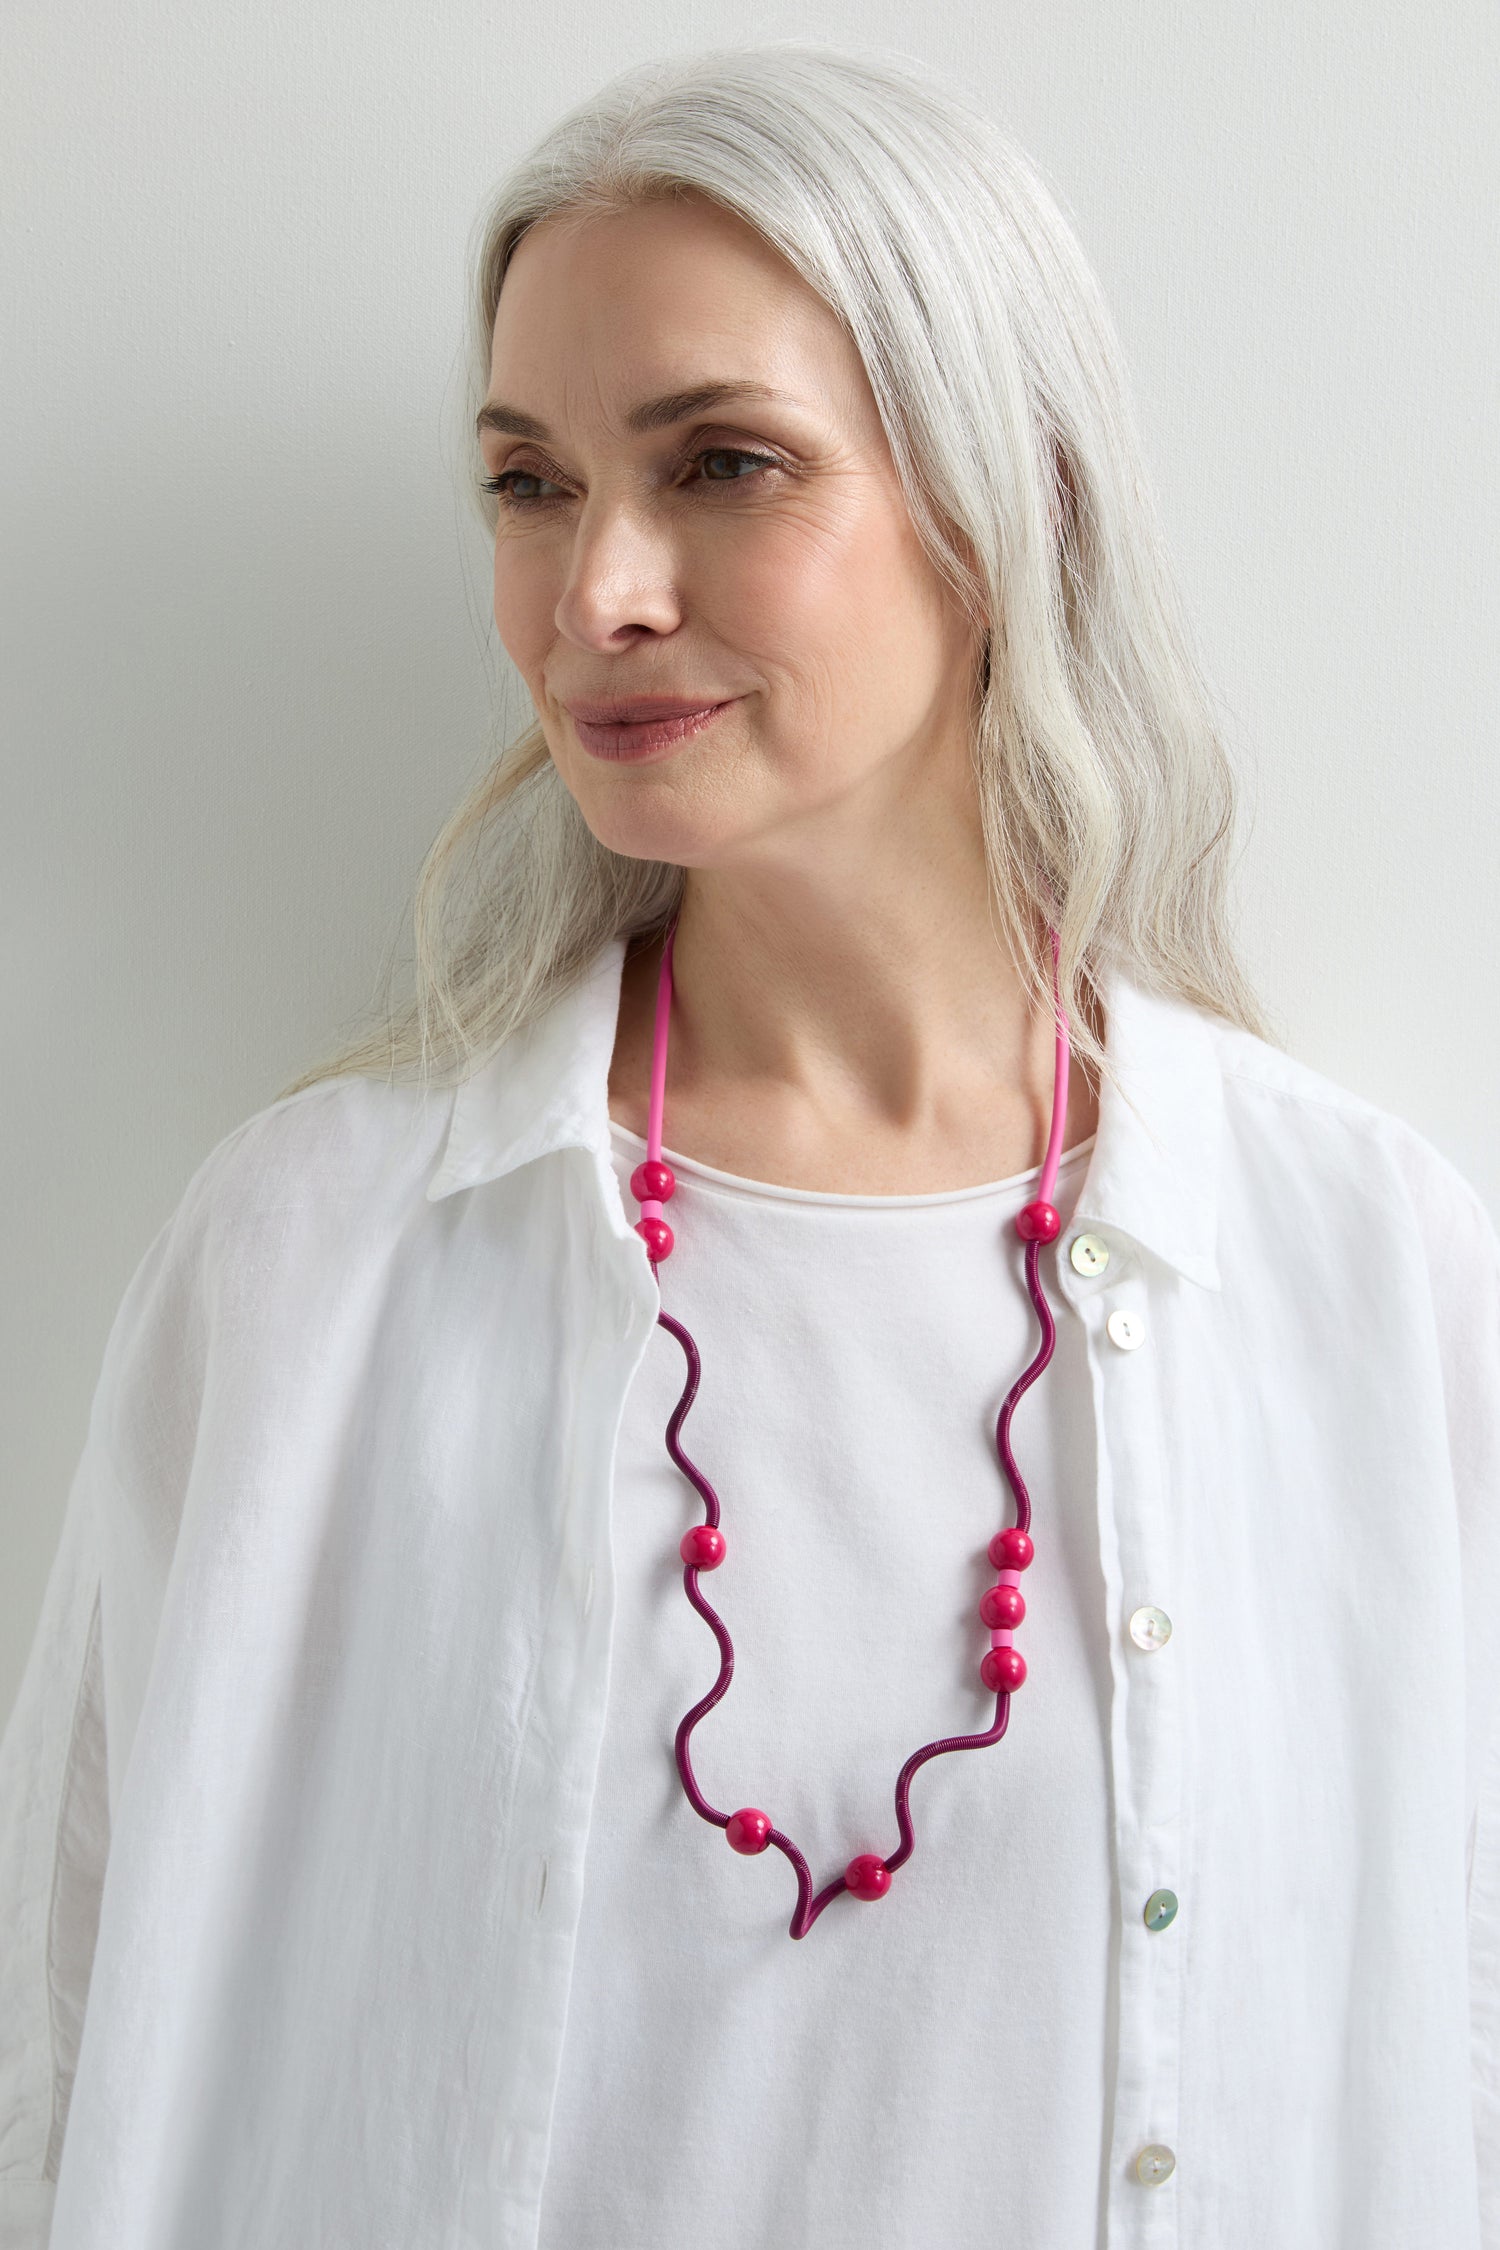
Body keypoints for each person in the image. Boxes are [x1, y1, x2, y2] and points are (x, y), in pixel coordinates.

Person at [2, 37, 1497, 2250]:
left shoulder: (1357, 1263)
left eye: (723, 463)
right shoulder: (308, 1256)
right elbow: (69, 2043)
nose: (594, 592)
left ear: (1010, 503)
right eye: (526, 482)